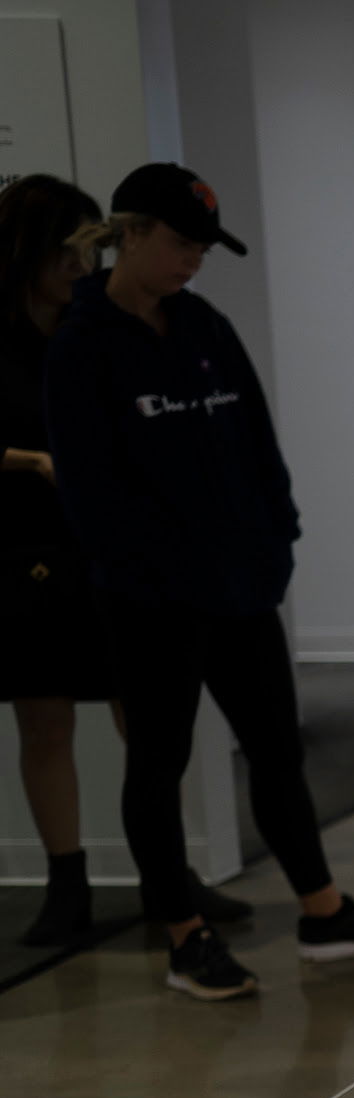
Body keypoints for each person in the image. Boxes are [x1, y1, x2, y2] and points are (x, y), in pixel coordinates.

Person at [48, 163, 354, 1000]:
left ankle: (322, 913)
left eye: (203, 249)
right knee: (159, 762)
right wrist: (156, 573)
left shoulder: (204, 326)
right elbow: (90, 491)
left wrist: (275, 540)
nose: (192, 261)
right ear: (131, 232)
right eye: (180, 244)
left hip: (241, 589)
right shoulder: (83, 348)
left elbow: (257, 442)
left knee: (277, 753)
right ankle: (185, 936)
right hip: (151, 603)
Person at [2, 175, 122, 950]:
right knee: (43, 720)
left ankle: (170, 870)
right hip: (25, 549)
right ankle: (66, 882)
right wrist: (31, 461)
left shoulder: (96, 327)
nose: (84, 268)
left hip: (108, 543)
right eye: (70, 253)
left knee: (146, 714)